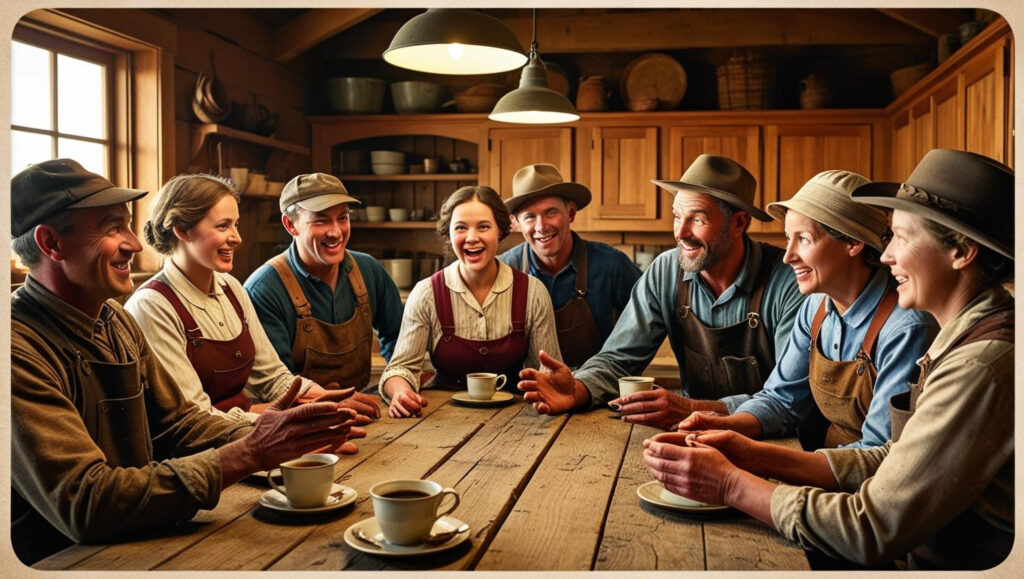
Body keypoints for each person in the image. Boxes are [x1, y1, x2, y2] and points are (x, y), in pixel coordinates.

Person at [643, 149, 1014, 569]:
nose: (887, 254)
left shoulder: (975, 362)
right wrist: (751, 452)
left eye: (902, 237)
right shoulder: (958, 336)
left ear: (962, 252)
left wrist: (730, 483)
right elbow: (890, 457)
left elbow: (871, 528)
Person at [10, 159, 362, 565]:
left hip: (140, 538)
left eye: (127, 225)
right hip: (65, 561)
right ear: (51, 243)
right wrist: (250, 453)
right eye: (111, 228)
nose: (135, 244)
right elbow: (86, 503)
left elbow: (181, 423)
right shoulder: (17, 349)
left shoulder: (115, 321)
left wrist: (267, 433)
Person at [518, 154, 805, 425]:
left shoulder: (786, 282)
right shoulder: (666, 272)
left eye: (698, 219)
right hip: (689, 433)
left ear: (739, 222)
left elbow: (788, 397)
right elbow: (618, 359)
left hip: (771, 438)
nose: (680, 233)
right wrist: (578, 389)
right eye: (677, 217)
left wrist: (693, 408)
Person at [678, 170, 937, 449]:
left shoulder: (906, 327)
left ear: (853, 242)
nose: (788, 256)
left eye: (803, 239)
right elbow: (781, 401)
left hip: (874, 482)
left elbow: (877, 450)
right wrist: (721, 425)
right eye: (788, 238)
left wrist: (755, 457)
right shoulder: (817, 306)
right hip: (831, 463)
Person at [124, 174, 379, 425]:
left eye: (236, 224)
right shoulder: (152, 306)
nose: (237, 237)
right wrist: (290, 423)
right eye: (223, 226)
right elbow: (195, 418)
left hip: (249, 435)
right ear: (182, 230)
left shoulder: (231, 288)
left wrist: (327, 401)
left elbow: (273, 378)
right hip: (199, 455)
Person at [380, 185, 562, 418]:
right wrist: (401, 392)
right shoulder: (426, 293)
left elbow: (549, 371)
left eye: (483, 227)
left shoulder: (533, 292)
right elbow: (400, 368)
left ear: (500, 230)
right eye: (461, 228)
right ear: (449, 233)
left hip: (517, 418)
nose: (472, 237)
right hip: (441, 419)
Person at [244, 173, 404, 394]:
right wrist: (326, 403)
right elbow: (275, 383)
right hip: (298, 417)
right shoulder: (264, 289)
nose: (336, 232)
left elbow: (399, 340)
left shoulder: (369, 270)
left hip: (362, 405)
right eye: (321, 220)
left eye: (343, 218)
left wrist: (398, 385)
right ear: (290, 224)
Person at [499, 164, 641, 368]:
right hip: (524, 393)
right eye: (530, 217)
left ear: (571, 213)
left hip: (596, 393)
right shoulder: (504, 269)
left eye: (550, 212)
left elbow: (650, 319)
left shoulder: (611, 264)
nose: (541, 226)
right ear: (516, 223)